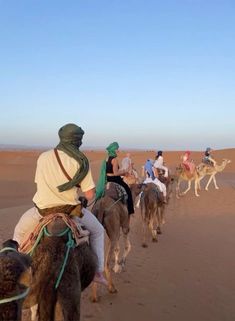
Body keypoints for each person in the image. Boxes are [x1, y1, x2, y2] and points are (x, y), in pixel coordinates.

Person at [13, 123, 107, 286]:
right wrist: (76, 184)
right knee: (98, 230)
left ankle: (15, 268)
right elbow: (90, 194)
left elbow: (40, 183)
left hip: (42, 211)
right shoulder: (81, 161)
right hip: (71, 212)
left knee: (20, 231)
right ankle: (98, 272)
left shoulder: (43, 157)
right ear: (77, 140)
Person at [96, 142, 135, 215]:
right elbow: (116, 173)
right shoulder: (114, 159)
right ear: (114, 150)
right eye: (117, 149)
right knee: (128, 190)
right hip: (114, 179)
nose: (118, 151)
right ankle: (130, 211)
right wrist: (124, 171)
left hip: (107, 179)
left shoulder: (106, 159)